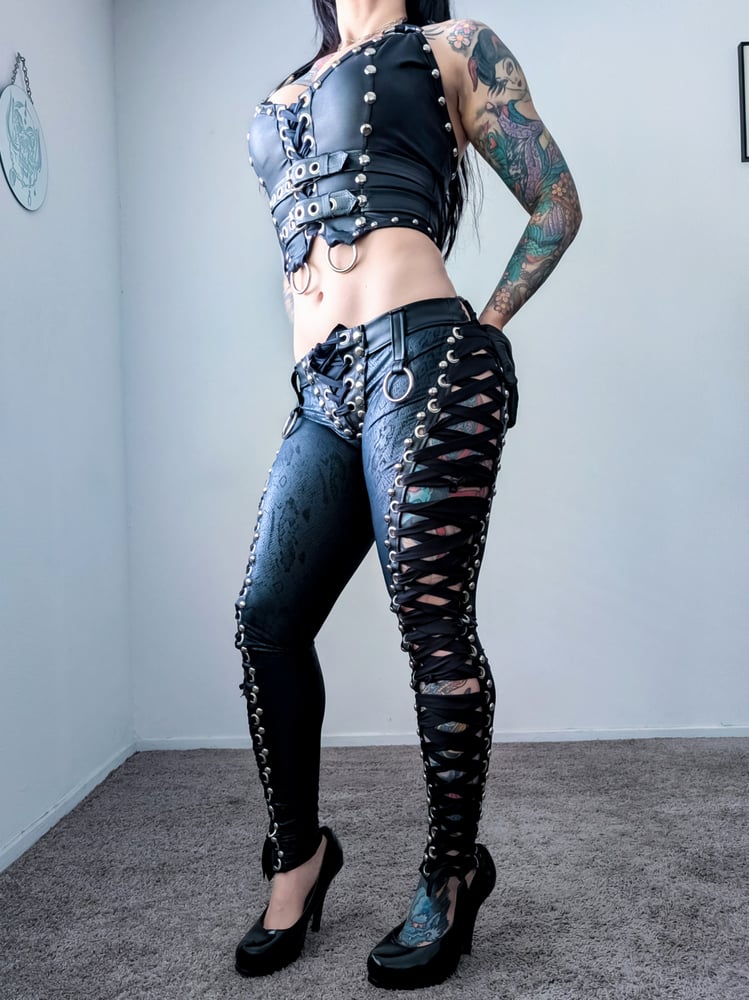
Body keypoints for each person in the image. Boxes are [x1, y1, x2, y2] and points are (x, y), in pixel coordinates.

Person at [233, 0, 582, 989]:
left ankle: (450, 872)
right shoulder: (288, 87)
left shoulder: (452, 47)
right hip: (321, 386)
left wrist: (484, 328)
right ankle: (299, 855)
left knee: (432, 623)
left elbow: (555, 204)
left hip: (421, 356)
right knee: (266, 620)